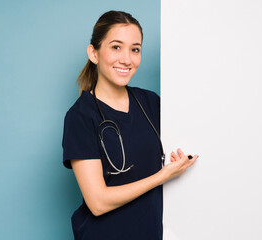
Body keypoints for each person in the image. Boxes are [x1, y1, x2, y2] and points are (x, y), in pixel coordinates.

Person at [62, 10, 198, 240]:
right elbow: (97, 202)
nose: (127, 59)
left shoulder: (150, 103)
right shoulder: (81, 117)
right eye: (116, 47)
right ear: (93, 53)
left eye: (135, 49)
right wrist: (162, 176)